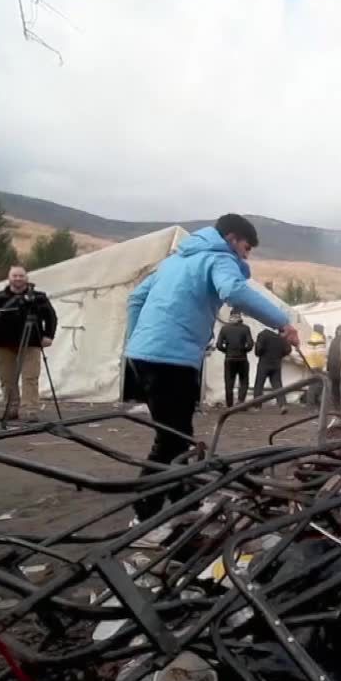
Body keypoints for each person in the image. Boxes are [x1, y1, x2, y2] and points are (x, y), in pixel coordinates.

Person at [124, 214, 296, 522]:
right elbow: (234, 291)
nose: (246, 254)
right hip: (172, 359)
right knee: (170, 439)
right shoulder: (219, 258)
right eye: (246, 247)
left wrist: (137, 340)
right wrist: (283, 322)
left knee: (179, 433)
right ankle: (143, 513)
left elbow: (136, 298)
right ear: (231, 239)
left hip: (144, 356)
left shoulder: (175, 261)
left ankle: (185, 501)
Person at [0, 265, 58, 422]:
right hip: (2, 344)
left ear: (27, 278)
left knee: (30, 377)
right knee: (7, 378)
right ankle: (11, 408)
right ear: (9, 278)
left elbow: (51, 317)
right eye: (15, 276)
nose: (18, 279)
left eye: (21, 276)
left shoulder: (38, 298)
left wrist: (48, 336)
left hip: (31, 343)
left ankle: (30, 410)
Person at [215, 310, 253, 408]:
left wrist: (226, 351)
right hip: (242, 358)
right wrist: (244, 350)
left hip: (229, 358)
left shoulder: (225, 329)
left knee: (229, 382)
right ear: (240, 317)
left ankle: (229, 405)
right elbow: (250, 344)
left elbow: (219, 345)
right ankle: (240, 402)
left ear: (230, 316)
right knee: (244, 381)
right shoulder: (245, 328)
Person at [254, 325, 292, 412]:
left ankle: (257, 406)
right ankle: (282, 405)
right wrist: (280, 355)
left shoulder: (263, 334)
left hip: (264, 363)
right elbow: (288, 350)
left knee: (259, 384)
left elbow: (258, 349)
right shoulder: (281, 338)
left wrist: (260, 353)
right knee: (278, 385)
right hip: (276, 364)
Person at [302, 324, 328, 406]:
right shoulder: (319, 339)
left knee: (314, 383)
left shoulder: (311, 338)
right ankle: (311, 403)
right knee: (316, 384)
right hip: (317, 365)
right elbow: (320, 354)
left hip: (311, 364)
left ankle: (312, 402)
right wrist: (322, 366)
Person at [326, 324, 341, 410]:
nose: (340, 332)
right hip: (335, 367)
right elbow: (330, 355)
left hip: (340, 367)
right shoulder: (335, 341)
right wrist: (328, 367)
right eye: (339, 330)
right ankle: (337, 403)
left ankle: (339, 403)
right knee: (336, 386)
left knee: (340, 386)